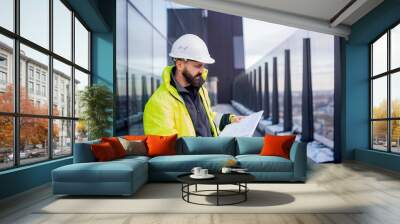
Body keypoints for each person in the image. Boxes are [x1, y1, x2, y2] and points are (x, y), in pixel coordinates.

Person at [143, 34, 244, 137]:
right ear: (180, 65)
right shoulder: (159, 104)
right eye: (197, 66)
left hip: (212, 151)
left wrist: (229, 120)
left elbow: (207, 118)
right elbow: (167, 148)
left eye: (203, 66)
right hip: (203, 153)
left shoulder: (200, 90)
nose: (202, 71)